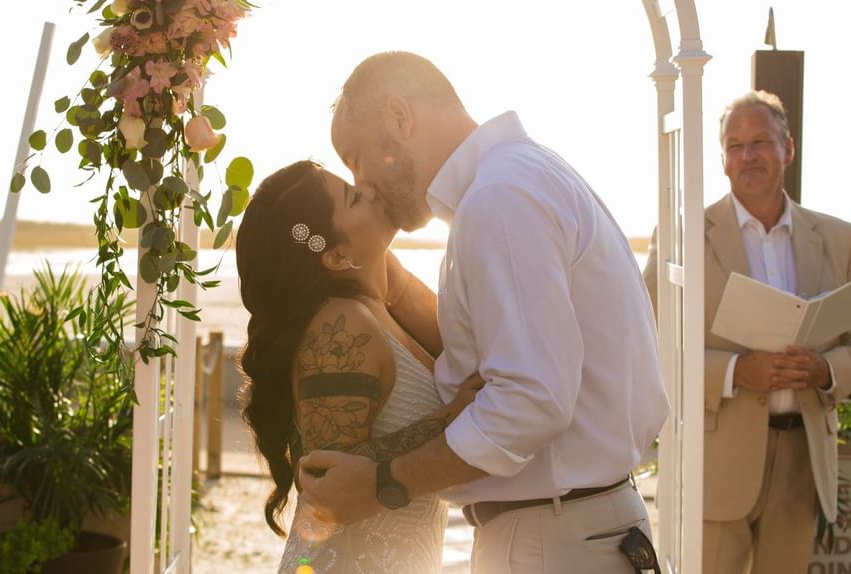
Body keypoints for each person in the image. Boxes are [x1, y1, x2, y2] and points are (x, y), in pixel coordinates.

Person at [298, 51, 669, 572]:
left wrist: (383, 484)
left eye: (355, 156)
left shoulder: (499, 199)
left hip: (552, 541)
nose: (361, 182)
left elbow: (530, 401)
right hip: (578, 528)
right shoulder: (520, 178)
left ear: (400, 119)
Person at [235, 160, 484, 573]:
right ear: (334, 255)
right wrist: (452, 419)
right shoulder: (341, 328)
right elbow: (327, 479)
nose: (367, 188)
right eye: (353, 197)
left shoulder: (377, 311)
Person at [643, 90, 851, 573]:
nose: (748, 155)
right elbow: (648, 344)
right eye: (734, 146)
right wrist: (737, 371)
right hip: (716, 464)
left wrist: (824, 370)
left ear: (788, 150)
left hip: (803, 461)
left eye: (760, 141)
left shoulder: (839, 239)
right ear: (722, 159)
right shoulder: (682, 236)